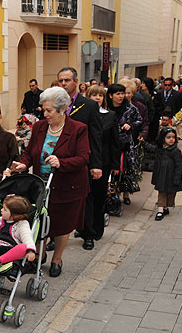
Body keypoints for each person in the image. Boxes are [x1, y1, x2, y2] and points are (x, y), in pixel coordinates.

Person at [8, 87, 91, 278]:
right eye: (43, 110)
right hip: (41, 184)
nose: (44, 114)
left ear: (62, 109)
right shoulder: (39, 127)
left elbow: (83, 157)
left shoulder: (78, 129)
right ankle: (39, 255)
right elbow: (29, 152)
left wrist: (62, 162)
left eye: (49, 111)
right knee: (40, 220)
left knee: (62, 224)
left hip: (67, 186)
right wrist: (23, 164)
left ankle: (57, 259)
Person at [57, 67, 102, 252]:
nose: (63, 84)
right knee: (58, 200)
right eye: (60, 80)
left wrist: (96, 164)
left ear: (76, 82)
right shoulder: (55, 104)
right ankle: (56, 235)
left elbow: (96, 136)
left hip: (81, 160)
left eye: (67, 80)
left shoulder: (89, 105)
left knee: (86, 198)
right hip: (59, 161)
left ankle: (88, 234)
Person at [80, 85, 120, 244]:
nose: (97, 98)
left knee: (98, 197)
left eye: (100, 95)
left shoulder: (110, 115)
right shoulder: (81, 115)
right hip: (84, 161)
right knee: (85, 197)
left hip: (102, 162)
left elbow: (114, 142)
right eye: (93, 95)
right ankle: (84, 228)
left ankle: (97, 228)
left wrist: (115, 165)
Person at [107, 83, 143, 205]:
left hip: (125, 142)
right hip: (110, 142)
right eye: (118, 94)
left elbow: (140, 120)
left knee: (126, 168)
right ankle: (112, 193)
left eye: (122, 93)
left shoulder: (130, 108)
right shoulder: (106, 108)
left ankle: (126, 193)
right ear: (111, 96)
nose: (121, 96)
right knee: (113, 169)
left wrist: (131, 125)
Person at [144, 127, 182, 221]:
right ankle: (160, 210)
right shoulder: (160, 149)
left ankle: (165, 207)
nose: (171, 139)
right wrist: (143, 142)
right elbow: (151, 148)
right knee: (161, 192)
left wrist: (177, 178)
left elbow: (179, 165)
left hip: (171, 176)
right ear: (163, 138)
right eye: (168, 137)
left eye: (173, 137)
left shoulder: (176, 151)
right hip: (161, 175)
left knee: (170, 193)